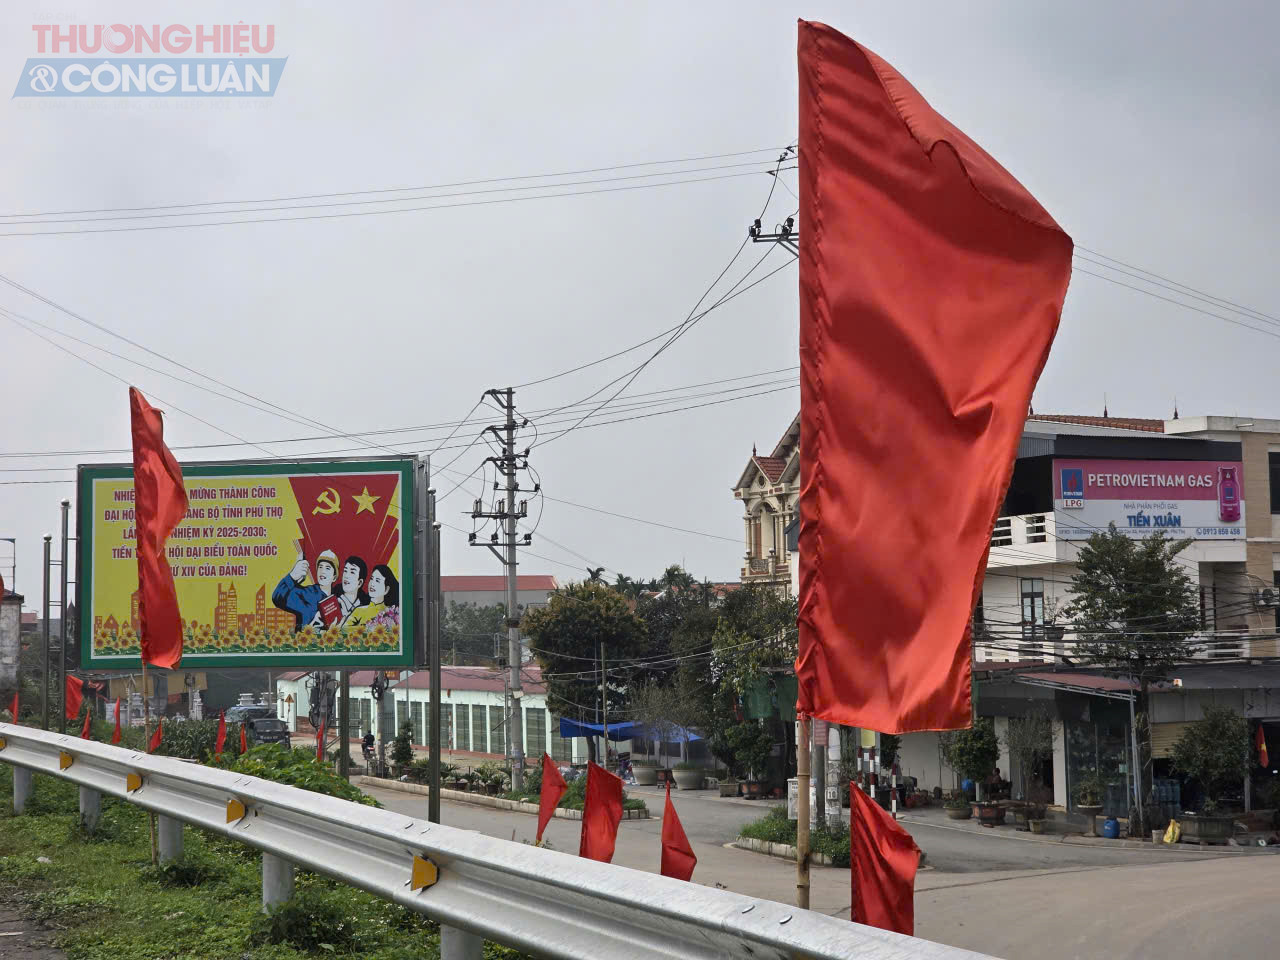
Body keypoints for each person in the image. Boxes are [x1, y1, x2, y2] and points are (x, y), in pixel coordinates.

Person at [272, 549, 340, 629]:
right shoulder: (307, 594)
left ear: (334, 577)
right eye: (320, 567)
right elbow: (277, 596)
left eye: (327, 568)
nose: (322, 571)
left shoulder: (339, 599)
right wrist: (293, 576)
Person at [336, 556, 370, 624]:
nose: (346, 576)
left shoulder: (367, 605)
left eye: (352, 572)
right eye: (345, 571)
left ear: (360, 582)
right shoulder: (333, 601)